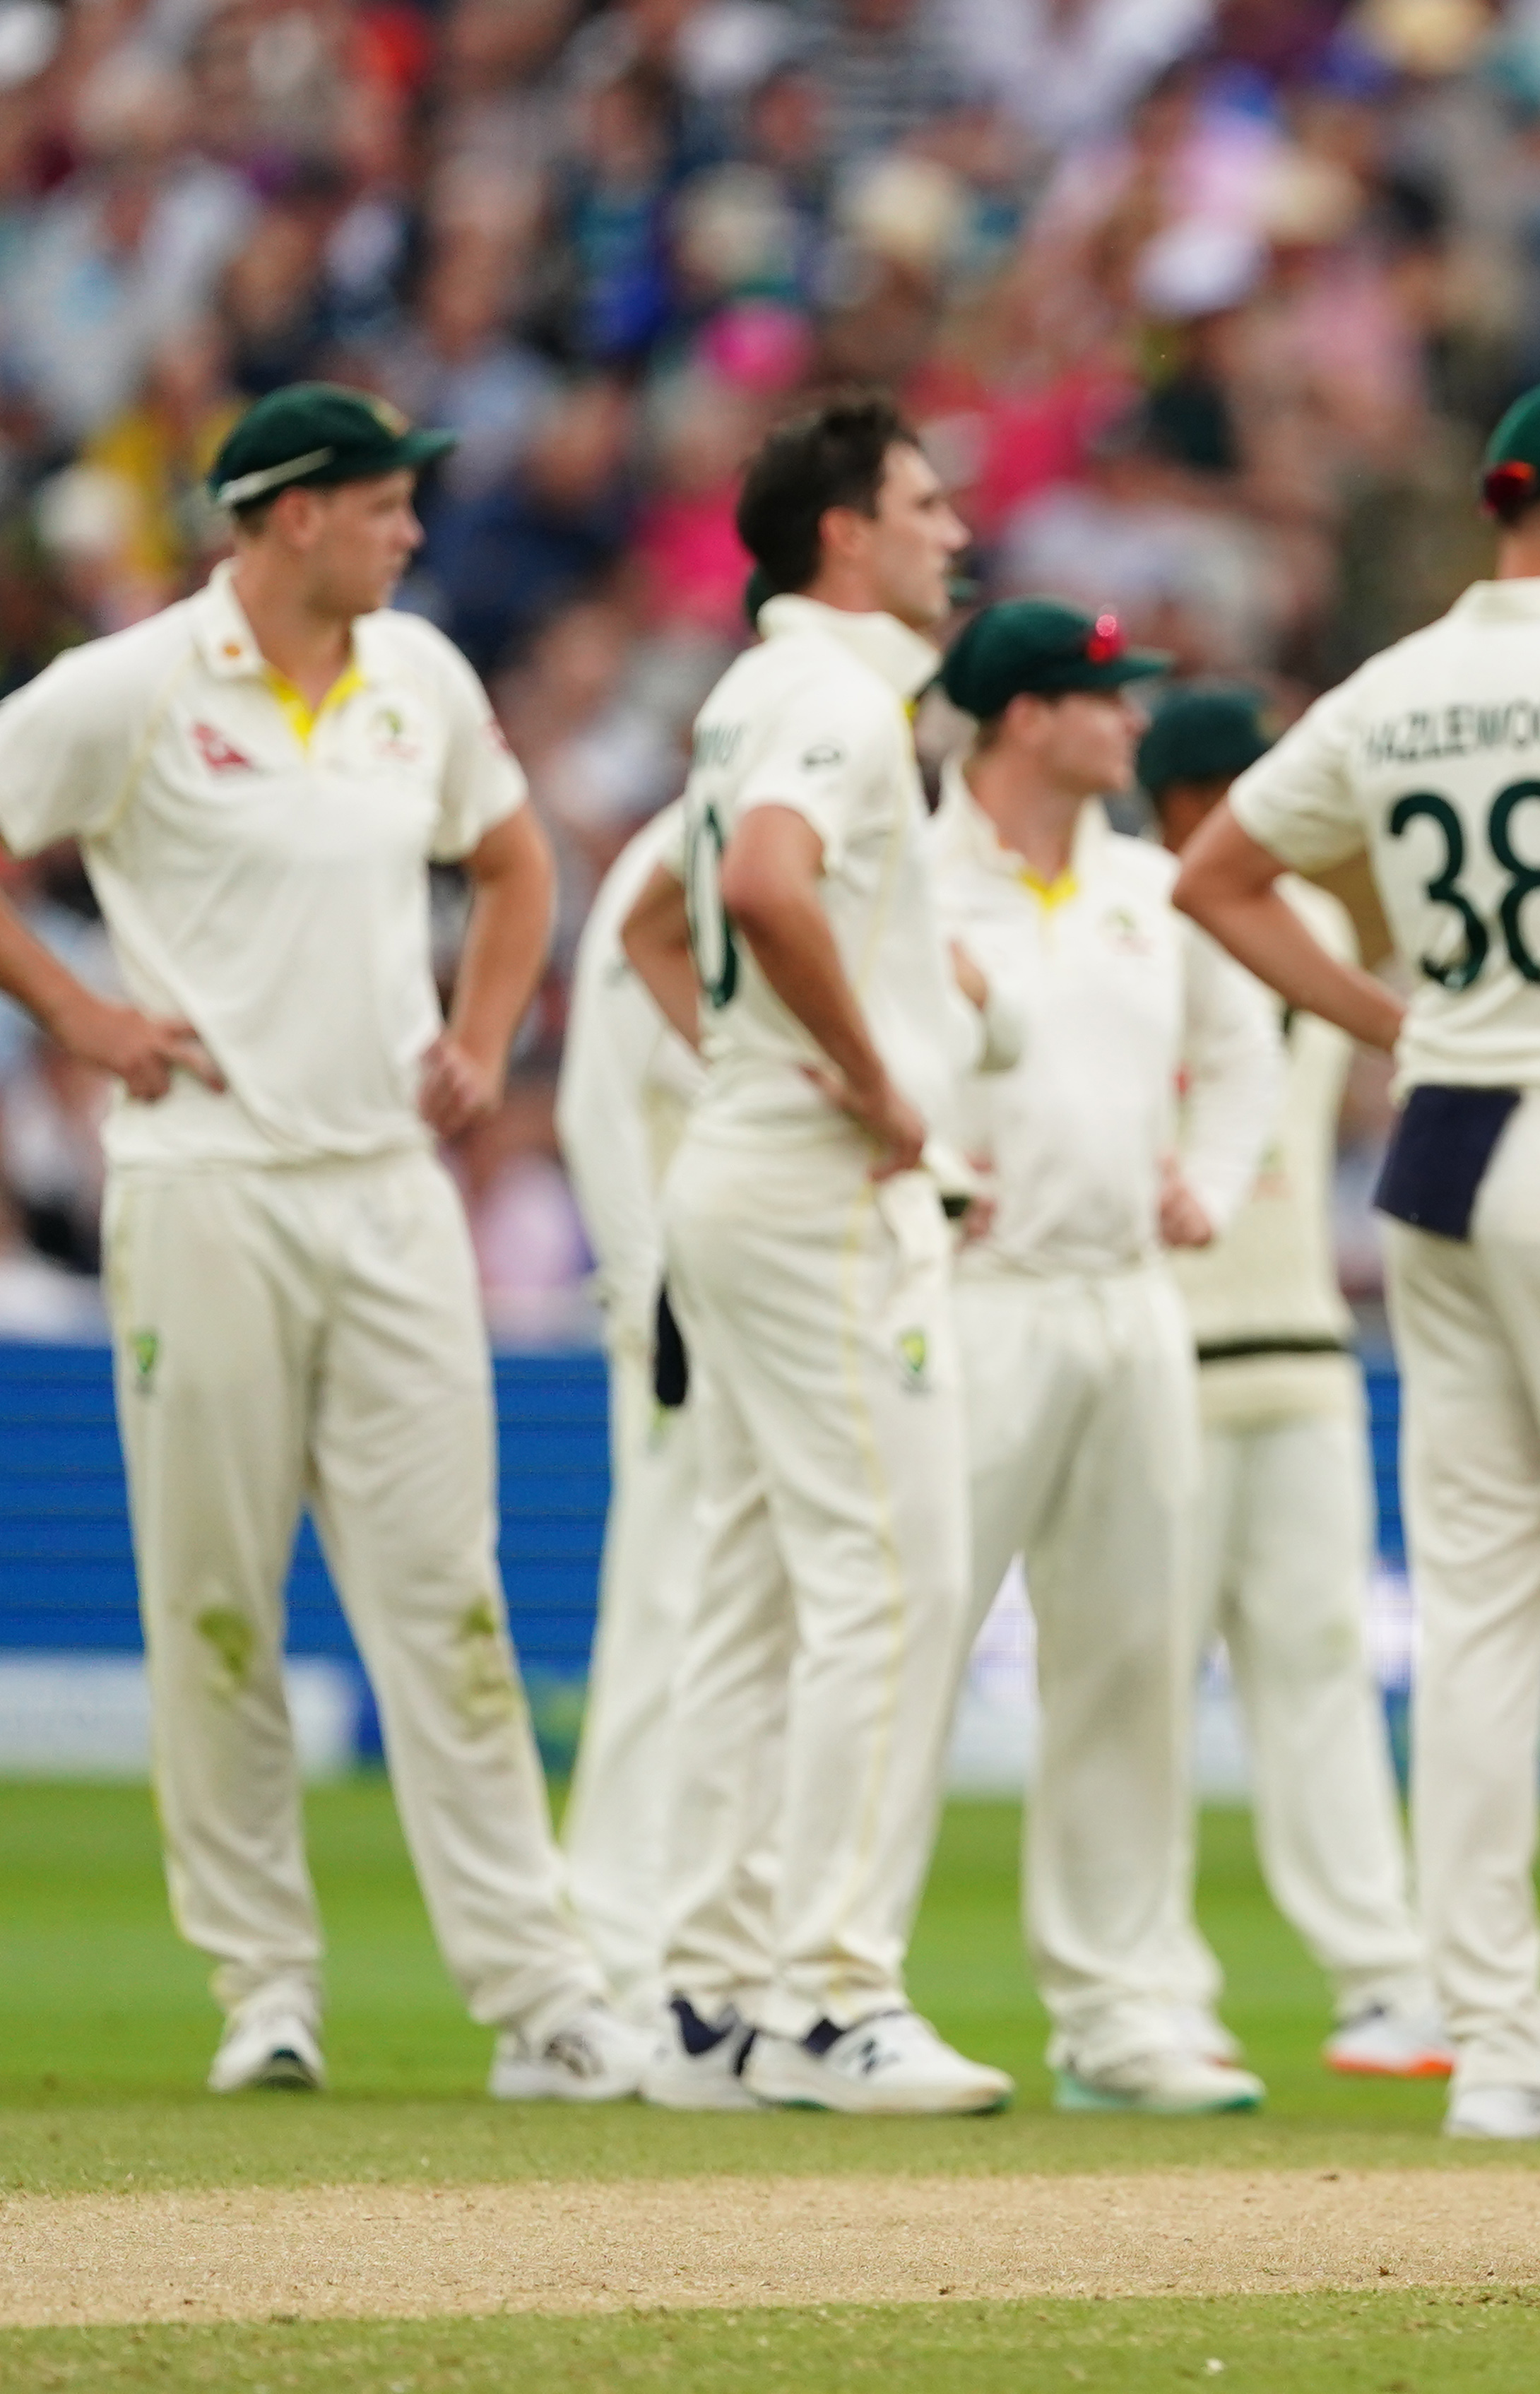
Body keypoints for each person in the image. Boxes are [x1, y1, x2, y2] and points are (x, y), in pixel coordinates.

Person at [0, 381, 644, 2102]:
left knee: (449, 1601)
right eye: (384, 504)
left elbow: (514, 870)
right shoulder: (140, 685)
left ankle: (540, 1997)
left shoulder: (416, 677)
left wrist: (487, 1037)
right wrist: (77, 1010)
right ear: (293, 514)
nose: (413, 530)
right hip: (203, 1178)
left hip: (384, 1191)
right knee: (215, 1598)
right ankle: (263, 1994)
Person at [1171, 378, 1540, 2139]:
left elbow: (1215, 874)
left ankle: (1493, 2048)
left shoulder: (1393, 683)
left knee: (1482, 1616)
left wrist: (1388, 1014)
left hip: (1435, 1151)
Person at [614, 392, 1019, 2115]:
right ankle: (834, 2001)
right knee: (892, 1581)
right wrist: (868, 1088)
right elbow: (770, 888)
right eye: (926, 506)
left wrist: (810, 1067)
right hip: (813, 1193)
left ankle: (706, 1998)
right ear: (845, 534)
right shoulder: (844, 699)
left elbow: (655, 916)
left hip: (749, 1172)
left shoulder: (752, 693)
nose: (955, 533)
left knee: (757, 1591)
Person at [922, 600, 1279, 2114]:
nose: (1136, 722)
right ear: (1021, 719)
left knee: (1131, 1661)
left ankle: (1120, 2013)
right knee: (907, 1647)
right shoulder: (911, 881)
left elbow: (1246, 1038)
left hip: (1130, 1304)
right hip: (971, 1300)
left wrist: (1211, 1163)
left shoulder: (1149, 885)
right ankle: (824, 1988)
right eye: (1104, 698)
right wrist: (933, 1171)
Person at [1142, 683, 1450, 2081]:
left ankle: (1383, 1982)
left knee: (1319, 1668)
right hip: (1163, 1348)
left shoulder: (1308, 925)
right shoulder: (1132, 918)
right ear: (1198, 805)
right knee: (1142, 1685)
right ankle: (1148, 1997)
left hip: (1299, 1344)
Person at [552, 797, 701, 2013]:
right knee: (665, 1612)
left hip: (804, 1318)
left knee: (755, 1637)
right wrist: (650, 1297)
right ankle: (609, 1946)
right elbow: (595, 1102)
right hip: (693, 1320)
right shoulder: (677, 859)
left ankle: (706, 1943)